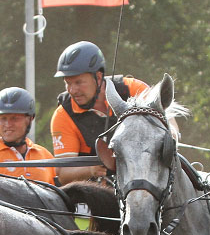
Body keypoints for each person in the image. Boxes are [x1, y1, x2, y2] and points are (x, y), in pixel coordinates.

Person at [50, 41, 149, 184]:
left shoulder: (132, 89)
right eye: (68, 83)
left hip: (143, 180)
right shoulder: (63, 115)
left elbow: (165, 116)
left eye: (78, 82)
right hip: (97, 195)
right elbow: (63, 174)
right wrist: (91, 170)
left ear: (98, 77)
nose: (72, 90)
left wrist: (173, 133)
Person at [0, 87, 56, 184]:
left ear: (30, 119)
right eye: (3, 119)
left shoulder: (45, 156)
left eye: (14, 118)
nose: (8, 125)